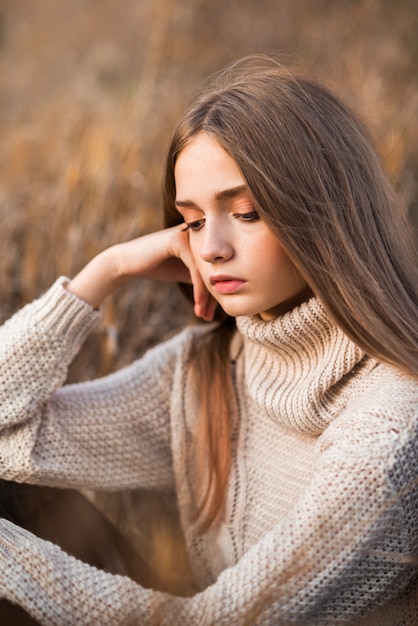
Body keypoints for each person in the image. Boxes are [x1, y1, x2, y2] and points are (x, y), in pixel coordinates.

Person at [0, 56, 417, 625]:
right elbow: (10, 438)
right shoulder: (209, 367)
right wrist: (106, 271)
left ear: (327, 212)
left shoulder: (391, 426)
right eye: (193, 222)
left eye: (245, 212)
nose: (212, 246)